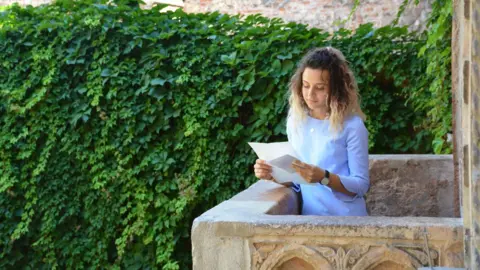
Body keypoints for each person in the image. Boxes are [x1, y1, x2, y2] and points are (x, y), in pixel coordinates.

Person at [253, 47, 370, 216]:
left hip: (348, 220)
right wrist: (271, 174)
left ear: (336, 89)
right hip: (311, 220)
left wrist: (324, 177)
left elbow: (360, 186)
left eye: (320, 88)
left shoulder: (353, 126)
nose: (310, 94)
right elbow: (297, 181)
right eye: (306, 86)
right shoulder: (296, 120)